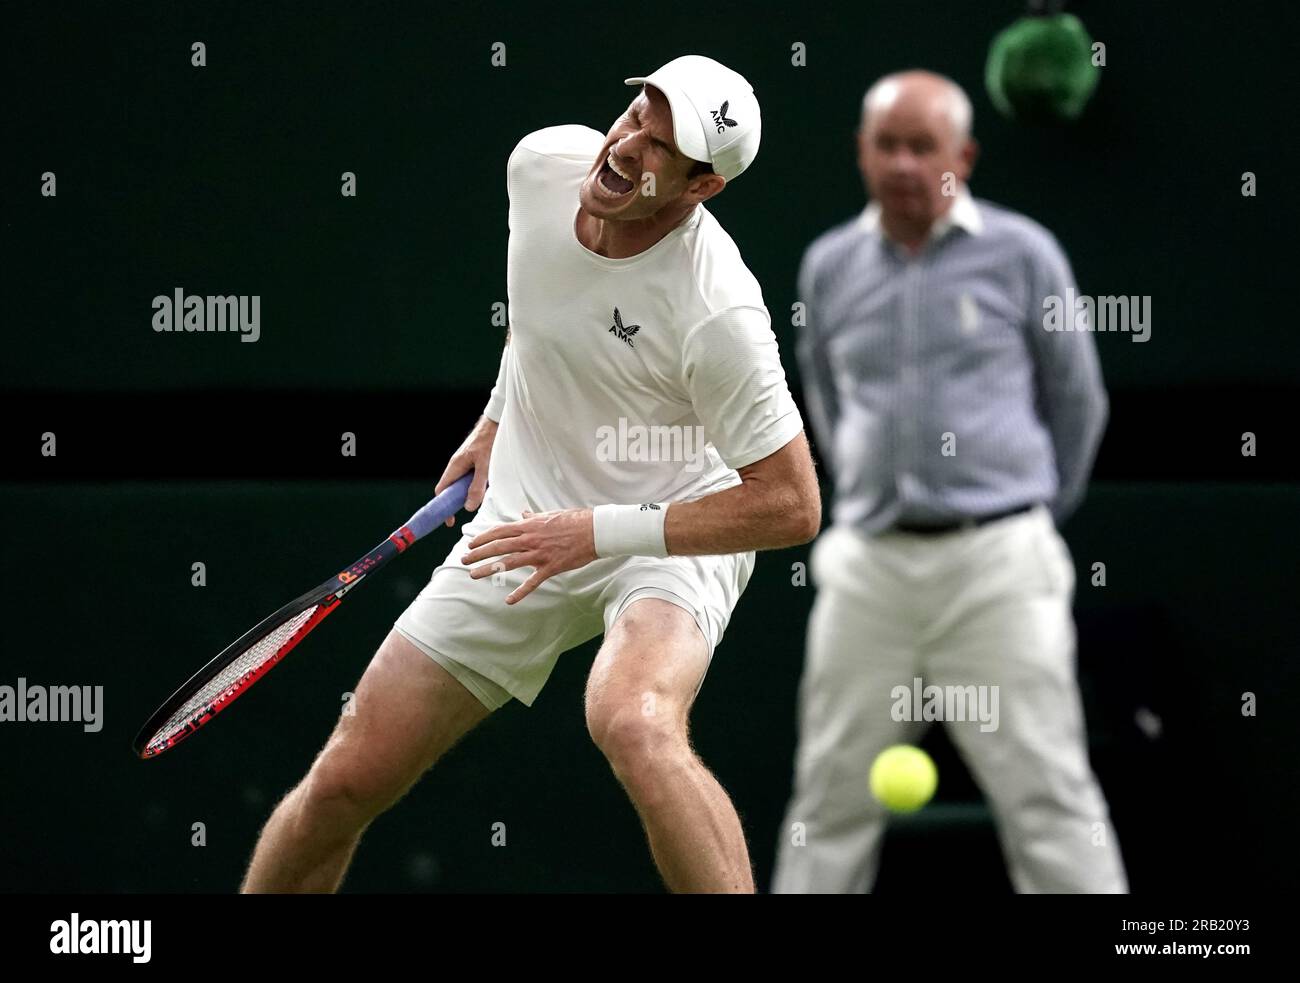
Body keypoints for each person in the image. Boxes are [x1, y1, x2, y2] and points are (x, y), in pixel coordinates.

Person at [240, 55, 820, 894]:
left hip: (672, 528)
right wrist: (495, 416)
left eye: (660, 150)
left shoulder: (717, 311)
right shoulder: (542, 167)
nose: (626, 150)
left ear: (701, 190)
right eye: (635, 119)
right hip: (523, 514)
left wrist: (598, 532)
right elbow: (543, 314)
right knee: (343, 783)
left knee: (633, 719)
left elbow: (793, 505)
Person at [772, 70, 1126, 893]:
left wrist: (1023, 514)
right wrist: (871, 493)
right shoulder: (828, 266)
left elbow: (1077, 399)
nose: (902, 163)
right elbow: (825, 398)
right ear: (860, 152)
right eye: (886, 144)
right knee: (826, 796)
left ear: (962, 155)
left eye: (921, 145)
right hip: (867, 568)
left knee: (1048, 791)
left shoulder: (1025, 253)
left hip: (1000, 561)